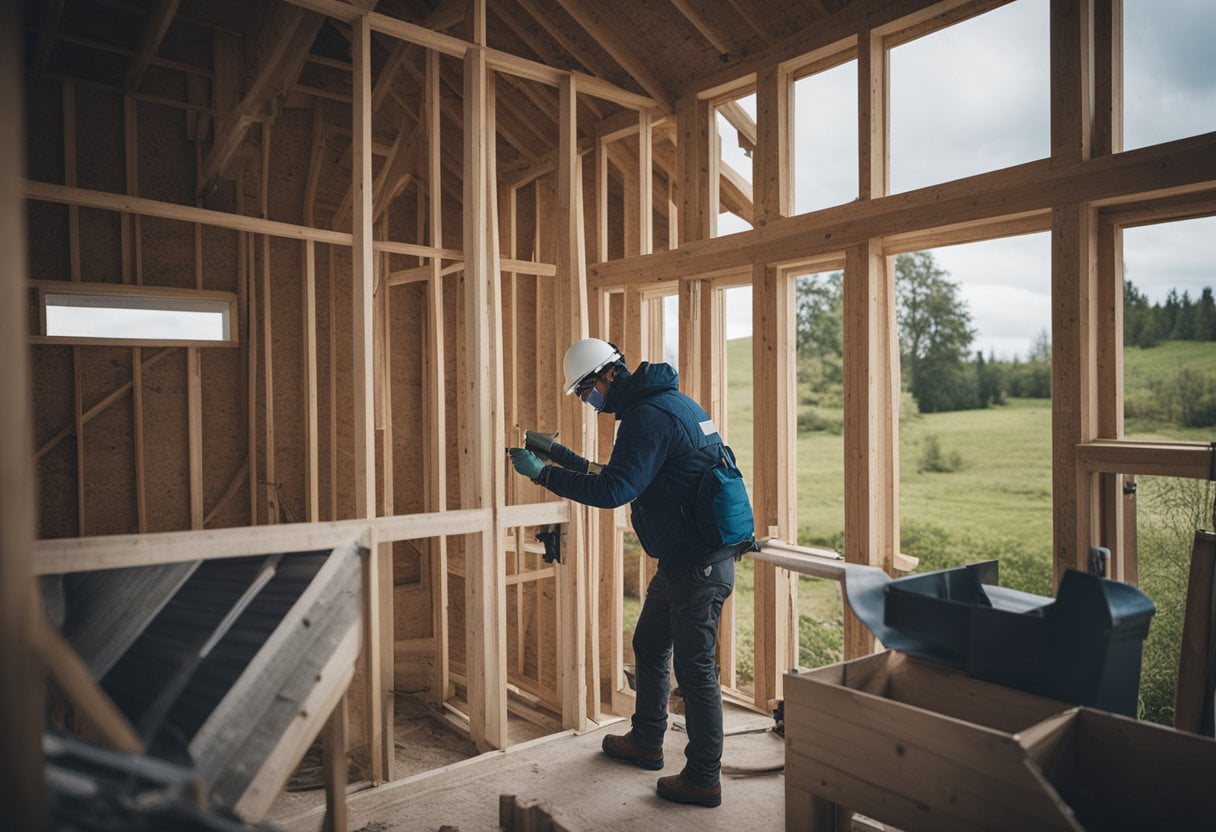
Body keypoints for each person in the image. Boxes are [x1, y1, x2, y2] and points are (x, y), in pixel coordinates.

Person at [507, 337, 755, 809]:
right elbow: (625, 474)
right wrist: (560, 457)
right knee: (648, 642)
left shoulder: (647, 416)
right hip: (688, 556)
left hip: (699, 562)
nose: (588, 401)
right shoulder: (666, 403)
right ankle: (646, 741)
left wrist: (541, 474)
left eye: (586, 391)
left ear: (610, 375)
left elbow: (614, 491)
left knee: (695, 669)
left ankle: (704, 778)